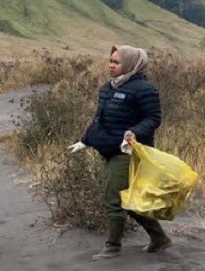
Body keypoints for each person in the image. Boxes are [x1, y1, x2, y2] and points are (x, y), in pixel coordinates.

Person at [67, 45, 172, 261]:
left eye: (116, 62)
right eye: (110, 61)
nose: (111, 65)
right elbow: (99, 118)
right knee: (129, 199)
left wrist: (132, 133)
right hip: (109, 148)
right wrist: (85, 140)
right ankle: (159, 239)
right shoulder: (108, 88)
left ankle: (112, 247)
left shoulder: (145, 89)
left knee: (113, 198)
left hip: (129, 152)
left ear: (131, 64)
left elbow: (153, 119)